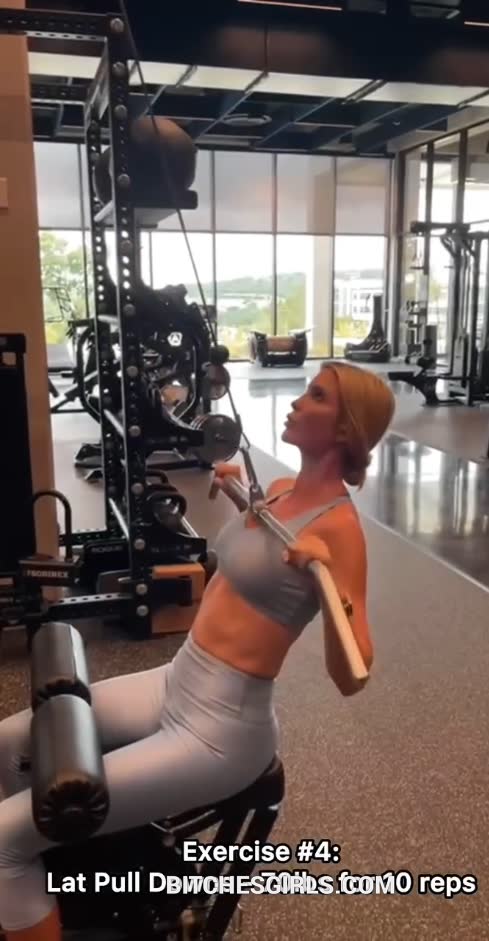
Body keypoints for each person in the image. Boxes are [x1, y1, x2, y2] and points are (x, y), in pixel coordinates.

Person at [0, 361, 395, 940]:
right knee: (11, 744)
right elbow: (258, 569)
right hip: (177, 678)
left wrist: (332, 583)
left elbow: (353, 673)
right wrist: (238, 498)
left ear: (344, 429)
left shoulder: (338, 531)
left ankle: (23, 871)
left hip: (220, 728)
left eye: (315, 396)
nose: (296, 402)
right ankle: (61, 889)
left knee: (3, 842)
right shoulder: (280, 491)